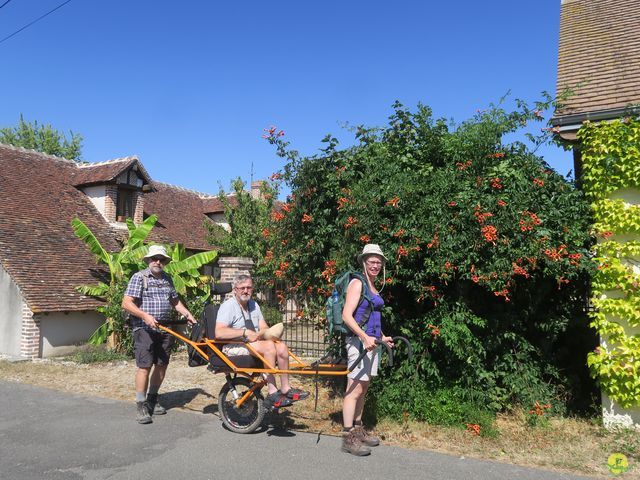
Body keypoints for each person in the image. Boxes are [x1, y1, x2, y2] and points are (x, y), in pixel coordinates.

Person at [122, 244, 197, 425]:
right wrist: (144, 316)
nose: (158, 262)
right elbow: (126, 303)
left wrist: (188, 315)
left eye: (161, 259)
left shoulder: (167, 279)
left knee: (162, 365)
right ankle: (141, 405)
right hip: (144, 328)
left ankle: (152, 400)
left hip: (165, 328)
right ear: (148, 260)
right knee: (145, 366)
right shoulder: (139, 278)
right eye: (155, 258)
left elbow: (175, 302)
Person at [215, 274, 309, 409]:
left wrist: (266, 332)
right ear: (235, 289)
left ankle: (285, 388)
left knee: (282, 346)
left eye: (249, 287)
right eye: (242, 288)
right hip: (233, 345)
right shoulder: (228, 306)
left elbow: (263, 326)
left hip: (253, 344)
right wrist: (244, 332)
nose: (246, 291)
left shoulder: (254, 305)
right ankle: (272, 393)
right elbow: (219, 332)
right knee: (269, 347)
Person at [341, 244, 394, 456]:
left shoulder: (372, 286)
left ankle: (358, 429)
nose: (375, 265)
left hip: (371, 343)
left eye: (378, 262)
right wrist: (364, 337)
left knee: (363, 389)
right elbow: (347, 315)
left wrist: (382, 338)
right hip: (358, 343)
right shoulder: (357, 283)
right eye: (371, 261)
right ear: (364, 262)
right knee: (353, 389)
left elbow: (372, 317)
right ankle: (348, 437)